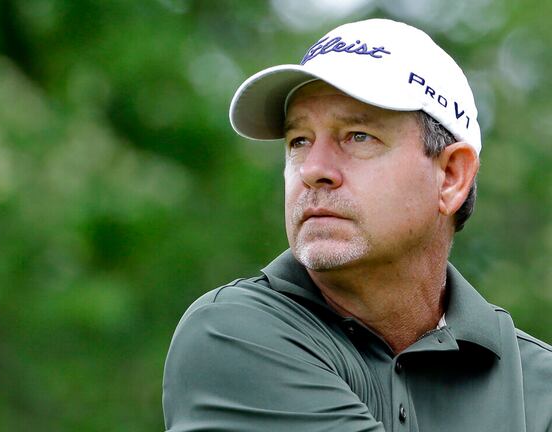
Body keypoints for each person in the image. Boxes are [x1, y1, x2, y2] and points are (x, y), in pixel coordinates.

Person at [162, 18, 552, 432]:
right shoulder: (228, 334)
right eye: (299, 141)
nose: (313, 169)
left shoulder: (541, 384)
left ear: (451, 176)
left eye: (358, 136)